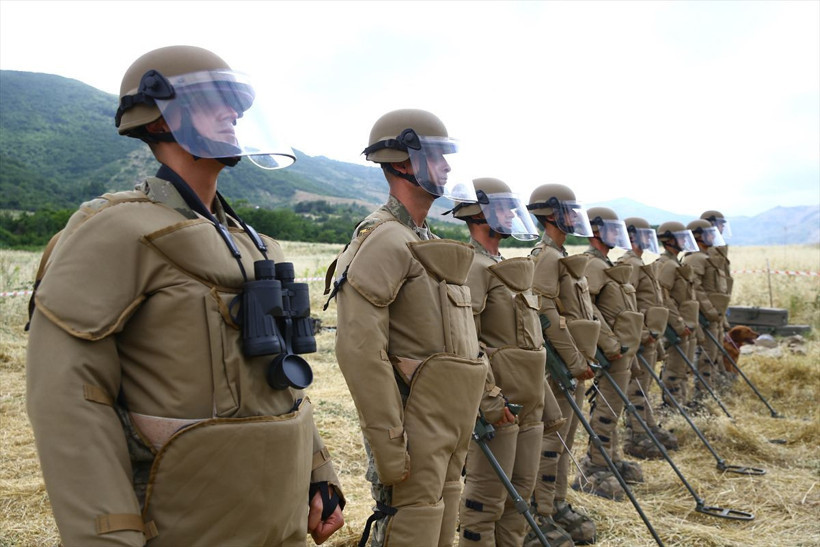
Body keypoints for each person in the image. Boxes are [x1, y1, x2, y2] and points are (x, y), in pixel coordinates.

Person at [26, 45, 344, 547]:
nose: (233, 112)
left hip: (276, 514)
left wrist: (317, 472)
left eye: (236, 103)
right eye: (214, 100)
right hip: (187, 523)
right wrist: (108, 535)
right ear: (157, 117)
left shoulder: (250, 241)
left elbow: (278, 378)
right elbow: (70, 397)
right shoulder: (113, 230)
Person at [327, 109, 487, 547]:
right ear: (400, 163)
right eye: (436, 156)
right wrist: (390, 442)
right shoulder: (384, 238)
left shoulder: (418, 238)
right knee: (409, 531)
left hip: (439, 429)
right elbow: (360, 351)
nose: (447, 167)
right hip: (411, 430)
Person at [450, 177, 560, 546]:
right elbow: (465, 340)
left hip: (527, 405)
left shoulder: (501, 264)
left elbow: (530, 342)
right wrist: (490, 399)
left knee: (520, 500)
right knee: (485, 504)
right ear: (479, 213)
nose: (513, 214)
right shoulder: (472, 268)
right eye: (504, 207)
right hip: (501, 408)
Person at [526, 184, 599, 546]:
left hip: (573, 367)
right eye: (567, 210)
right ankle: (540, 511)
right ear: (551, 214)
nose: (573, 216)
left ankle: (556, 503)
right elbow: (545, 313)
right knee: (550, 443)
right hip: (558, 368)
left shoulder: (560, 254)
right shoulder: (546, 256)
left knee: (566, 440)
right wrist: (571, 361)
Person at [571, 207, 645, 500]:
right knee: (605, 409)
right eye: (611, 228)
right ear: (595, 231)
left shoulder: (604, 262)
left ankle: (610, 458)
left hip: (620, 350)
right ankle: (596, 466)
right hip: (610, 352)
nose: (617, 234)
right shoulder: (592, 263)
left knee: (613, 407)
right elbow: (587, 308)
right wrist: (609, 343)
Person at [616, 218, 678, 459]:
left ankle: (648, 428)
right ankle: (637, 435)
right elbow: (625, 302)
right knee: (636, 389)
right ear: (631, 236)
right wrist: (640, 334)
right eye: (642, 234)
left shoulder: (640, 262)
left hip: (648, 336)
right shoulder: (629, 264)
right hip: (639, 336)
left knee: (644, 388)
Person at [655, 221, 700, 407]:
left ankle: (680, 403)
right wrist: (678, 324)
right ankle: (672, 407)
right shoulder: (667, 265)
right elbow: (663, 298)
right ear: (669, 240)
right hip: (676, 327)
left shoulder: (675, 263)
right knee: (674, 369)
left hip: (684, 327)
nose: (684, 241)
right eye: (680, 237)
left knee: (682, 368)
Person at [683, 219, 729, 396]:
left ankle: (708, 391)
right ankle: (702, 396)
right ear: (699, 236)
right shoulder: (695, 258)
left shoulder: (705, 257)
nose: (714, 237)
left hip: (712, 317)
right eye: (710, 234)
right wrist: (710, 310)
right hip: (704, 317)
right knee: (704, 357)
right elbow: (695, 287)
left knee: (711, 356)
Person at [700, 210, 734, 383]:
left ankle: (714, 384)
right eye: (719, 224)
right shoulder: (707, 253)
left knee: (715, 352)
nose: (722, 227)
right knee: (705, 354)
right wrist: (709, 310)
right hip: (708, 313)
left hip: (717, 312)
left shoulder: (717, 250)